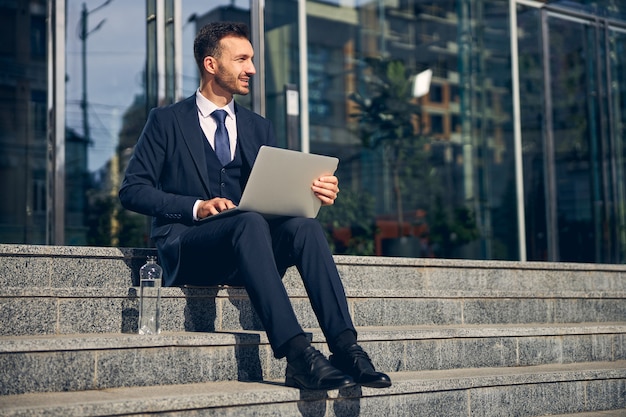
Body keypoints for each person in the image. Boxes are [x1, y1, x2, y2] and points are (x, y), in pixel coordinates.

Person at [119, 21, 391, 391]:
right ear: (211, 65)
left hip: (247, 250)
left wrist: (311, 193)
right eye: (242, 59)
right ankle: (298, 355)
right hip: (189, 247)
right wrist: (197, 206)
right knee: (247, 223)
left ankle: (346, 348)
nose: (253, 69)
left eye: (252, 59)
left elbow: (268, 199)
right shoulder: (166, 121)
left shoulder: (259, 127)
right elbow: (133, 190)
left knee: (306, 228)